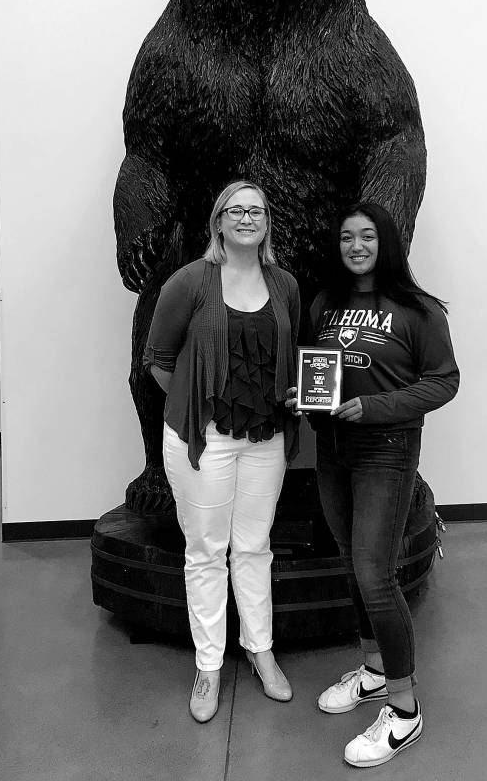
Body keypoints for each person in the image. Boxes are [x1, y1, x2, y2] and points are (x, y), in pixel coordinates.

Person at [287, 201, 459, 767]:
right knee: (352, 563)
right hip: (334, 450)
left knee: (375, 575)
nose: (355, 246)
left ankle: (404, 713)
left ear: (385, 242)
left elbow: (443, 382)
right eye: (345, 238)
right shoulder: (324, 304)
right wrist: (305, 402)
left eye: (366, 237)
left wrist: (376, 407)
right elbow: (319, 376)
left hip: (386, 451)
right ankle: (375, 673)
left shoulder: (419, 310)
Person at [144, 180, 300, 723]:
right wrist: (196, 402)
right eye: (235, 208)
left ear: (266, 222)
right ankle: (208, 665)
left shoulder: (285, 285)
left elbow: (291, 355)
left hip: (265, 440)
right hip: (204, 442)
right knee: (206, 551)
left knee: (254, 547)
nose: (246, 217)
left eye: (256, 209)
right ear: (217, 221)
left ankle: (261, 651)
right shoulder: (189, 282)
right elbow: (159, 358)